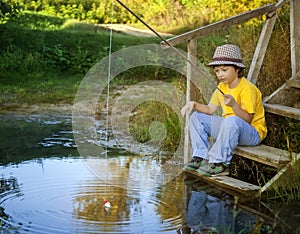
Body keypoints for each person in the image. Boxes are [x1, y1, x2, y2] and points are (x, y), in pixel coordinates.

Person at [181, 44, 267, 176]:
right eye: (217, 71)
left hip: (252, 133)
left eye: (224, 70)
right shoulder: (222, 86)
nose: (220, 74)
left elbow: (248, 119)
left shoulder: (247, 88)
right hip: (229, 128)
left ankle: (221, 164)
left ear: (237, 69)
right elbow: (210, 109)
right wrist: (194, 104)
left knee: (231, 120)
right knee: (196, 117)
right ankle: (200, 157)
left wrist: (234, 105)